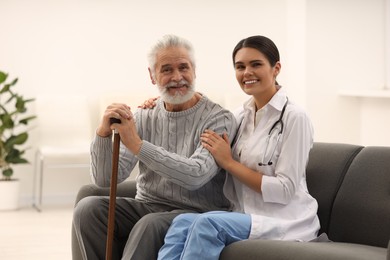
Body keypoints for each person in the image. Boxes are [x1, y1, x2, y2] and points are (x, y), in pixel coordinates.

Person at [72, 34, 237, 260]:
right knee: (88, 209)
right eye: (166, 69)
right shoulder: (143, 116)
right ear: (152, 76)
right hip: (148, 205)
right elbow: (104, 180)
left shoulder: (218, 118)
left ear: (194, 71)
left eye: (183, 67)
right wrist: (102, 133)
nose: (177, 77)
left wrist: (139, 146)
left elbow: (195, 176)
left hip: (197, 212)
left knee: (149, 224)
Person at [157, 35, 320, 260]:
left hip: (285, 220)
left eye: (256, 64)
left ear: (276, 68)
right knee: (182, 222)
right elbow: (200, 109)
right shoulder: (238, 116)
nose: (247, 73)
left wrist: (229, 163)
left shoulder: (295, 117)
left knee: (208, 225)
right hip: (243, 216)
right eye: (240, 66)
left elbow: (284, 190)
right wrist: (161, 103)